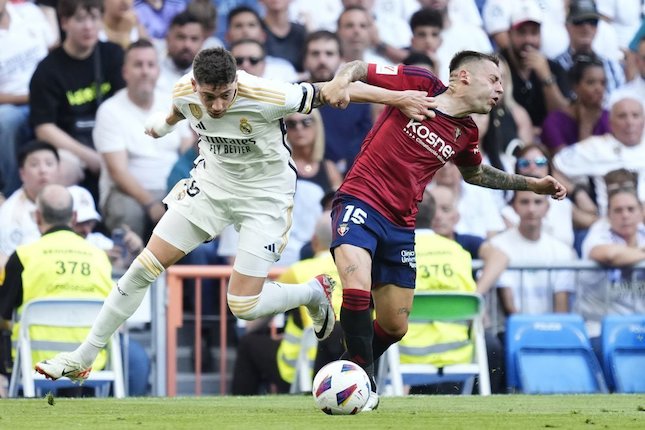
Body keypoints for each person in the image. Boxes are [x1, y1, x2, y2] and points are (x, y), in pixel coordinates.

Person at [34, 46, 437, 383]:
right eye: (210, 96)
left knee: (241, 306)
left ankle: (314, 293)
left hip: (265, 196)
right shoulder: (184, 93)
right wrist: (160, 126)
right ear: (195, 85)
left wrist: (400, 98)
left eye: (226, 94)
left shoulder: (266, 93)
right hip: (211, 188)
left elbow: (334, 90)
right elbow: (176, 113)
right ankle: (83, 356)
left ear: (236, 84)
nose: (219, 104)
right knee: (143, 268)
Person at [323, 50, 567, 410]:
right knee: (357, 290)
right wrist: (341, 81)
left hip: (402, 224)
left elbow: (476, 174)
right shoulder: (419, 84)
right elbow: (361, 67)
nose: (500, 89)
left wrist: (532, 185)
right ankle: (360, 386)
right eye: (494, 79)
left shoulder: (465, 133)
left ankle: (338, 374)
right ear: (464, 77)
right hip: (360, 200)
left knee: (394, 326)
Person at [0, 184, 150, 396]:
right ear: (74, 216)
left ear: (37, 217)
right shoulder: (99, 257)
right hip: (90, 363)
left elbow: (4, 314)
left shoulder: (24, 256)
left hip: (36, 361)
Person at [93, 39, 191, 240]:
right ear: (125, 72)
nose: (145, 71)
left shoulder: (172, 102)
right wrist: (150, 204)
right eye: (138, 65)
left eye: (151, 65)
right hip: (127, 193)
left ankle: (184, 272)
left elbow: (187, 148)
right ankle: (126, 269)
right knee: (130, 213)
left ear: (158, 71)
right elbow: (117, 171)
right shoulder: (110, 110)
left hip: (172, 187)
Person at [29, 0, 125, 196]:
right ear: (64, 22)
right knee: (56, 174)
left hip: (114, 139)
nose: (88, 26)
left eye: (94, 18)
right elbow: (44, 128)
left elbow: (126, 104)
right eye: (80, 19)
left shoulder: (113, 55)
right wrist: (90, 157)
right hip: (72, 148)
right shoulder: (47, 70)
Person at [576, 187, 645, 356]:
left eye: (631, 209)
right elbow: (608, 255)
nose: (625, 215)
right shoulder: (599, 232)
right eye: (618, 210)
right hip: (599, 328)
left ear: (641, 212)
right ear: (608, 215)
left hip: (640, 327)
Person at [0, 141, 60, 268]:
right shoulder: (9, 213)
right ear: (22, 173)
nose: (43, 170)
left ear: (59, 169)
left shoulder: (74, 197)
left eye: (49, 164)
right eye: (34, 165)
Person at [541, 53, 610, 153]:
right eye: (591, 82)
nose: (599, 88)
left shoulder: (609, 118)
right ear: (575, 86)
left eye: (603, 83)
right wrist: (586, 126)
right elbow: (567, 164)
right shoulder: (554, 122)